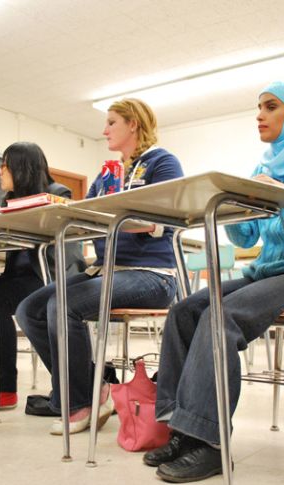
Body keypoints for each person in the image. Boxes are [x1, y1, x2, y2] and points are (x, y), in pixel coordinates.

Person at [144, 78, 284, 483]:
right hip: (267, 273)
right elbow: (247, 237)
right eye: (259, 107)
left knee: (223, 314)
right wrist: (236, 207)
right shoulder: (265, 167)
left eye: (271, 107)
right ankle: (181, 427)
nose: (260, 115)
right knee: (184, 310)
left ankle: (212, 443)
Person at [15, 98, 184, 435]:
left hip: (153, 276)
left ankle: (81, 402)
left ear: (133, 124)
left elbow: (171, 220)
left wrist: (119, 218)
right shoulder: (109, 173)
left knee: (62, 305)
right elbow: (86, 214)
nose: (104, 130)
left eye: (111, 123)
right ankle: (95, 387)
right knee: (29, 309)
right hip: (107, 271)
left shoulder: (162, 163)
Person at [0, 142, 85, 412]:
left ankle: (4, 390)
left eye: (5, 165)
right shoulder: (8, 200)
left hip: (47, 275)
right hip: (17, 277)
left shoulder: (58, 193)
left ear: (22, 168)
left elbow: (65, 247)